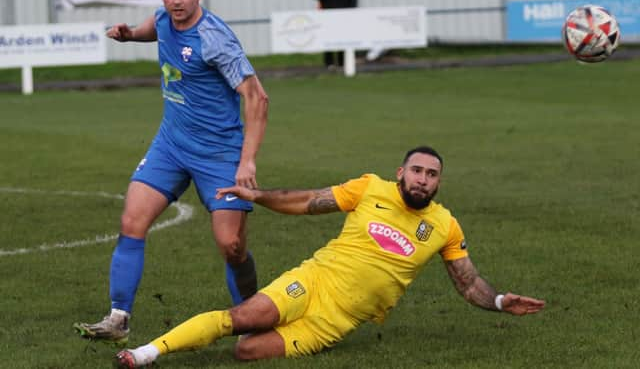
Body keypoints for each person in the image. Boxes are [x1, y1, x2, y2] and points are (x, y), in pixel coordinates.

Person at [113, 146, 545, 367]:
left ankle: (255, 332)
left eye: (432, 175)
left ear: (438, 183)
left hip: (335, 323)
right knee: (242, 317)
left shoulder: (445, 226)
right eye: (417, 170)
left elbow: (468, 282)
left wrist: (502, 302)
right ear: (401, 173)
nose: (423, 180)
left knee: (247, 353)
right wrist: (257, 195)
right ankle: (146, 354)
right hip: (314, 281)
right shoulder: (369, 188)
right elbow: (306, 201)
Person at [74, 0, 269, 345]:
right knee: (132, 220)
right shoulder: (164, 17)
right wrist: (130, 34)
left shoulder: (215, 39)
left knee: (231, 245)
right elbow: (155, 27)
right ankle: (118, 318)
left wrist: (247, 160)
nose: (176, 2)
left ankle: (252, 316)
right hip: (172, 144)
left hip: (219, 152)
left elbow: (257, 97)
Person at [312, 0, 358, 69]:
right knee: (327, 40)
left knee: (344, 39)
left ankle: (342, 63)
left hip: (343, 16)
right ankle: (329, 63)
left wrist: (351, 12)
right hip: (327, 16)